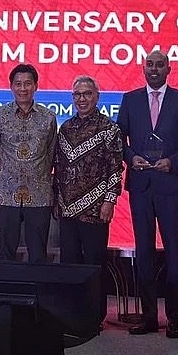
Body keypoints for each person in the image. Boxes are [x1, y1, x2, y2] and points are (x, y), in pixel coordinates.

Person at [116, 49, 178, 339]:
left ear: (169, 68)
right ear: (143, 68)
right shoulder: (130, 99)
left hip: (170, 185)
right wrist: (131, 157)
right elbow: (119, 138)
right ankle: (149, 316)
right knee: (144, 252)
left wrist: (172, 161)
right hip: (140, 185)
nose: (154, 69)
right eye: (149, 64)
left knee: (175, 253)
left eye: (159, 65)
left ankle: (175, 318)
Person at [0, 64, 57, 263]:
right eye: (18, 84)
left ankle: (38, 293)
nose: (23, 88)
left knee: (37, 255)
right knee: (5, 254)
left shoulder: (48, 117)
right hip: (5, 193)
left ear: (36, 86)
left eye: (28, 83)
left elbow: (51, 153)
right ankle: (7, 293)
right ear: (11, 87)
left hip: (39, 194)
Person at [54, 75, 123, 269]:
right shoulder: (66, 128)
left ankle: (94, 301)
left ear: (97, 97)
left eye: (87, 94)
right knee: (69, 267)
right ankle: (70, 301)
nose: (82, 99)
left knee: (94, 267)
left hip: (96, 209)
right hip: (66, 210)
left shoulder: (109, 128)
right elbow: (58, 166)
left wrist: (109, 201)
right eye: (77, 94)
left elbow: (115, 168)